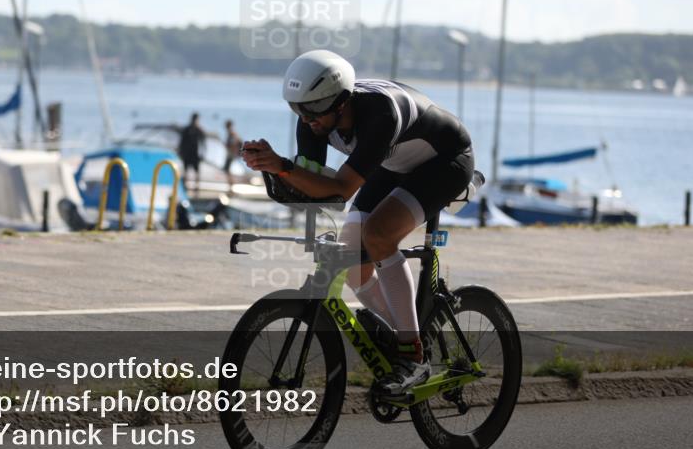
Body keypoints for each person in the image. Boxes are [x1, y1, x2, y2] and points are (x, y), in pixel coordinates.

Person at [241, 49, 474, 395]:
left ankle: (413, 356)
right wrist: (272, 170)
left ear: (341, 102)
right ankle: (406, 331)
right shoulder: (313, 116)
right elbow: (318, 193)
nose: (306, 119)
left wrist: (285, 167)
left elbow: (341, 187)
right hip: (394, 166)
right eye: (297, 108)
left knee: (379, 236)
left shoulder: (379, 114)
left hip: (444, 163)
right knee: (353, 267)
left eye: (313, 110)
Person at [177, 112, 206, 193]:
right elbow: (182, 142)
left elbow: (203, 142)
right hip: (187, 154)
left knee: (197, 172)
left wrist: (203, 153)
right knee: (186, 171)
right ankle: (185, 187)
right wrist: (181, 152)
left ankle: (196, 188)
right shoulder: (186, 129)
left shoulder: (199, 130)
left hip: (195, 155)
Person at [223, 120, 242, 192]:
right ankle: (230, 185)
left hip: (231, 154)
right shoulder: (230, 133)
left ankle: (231, 185)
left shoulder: (232, 133)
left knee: (227, 169)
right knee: (227, 169)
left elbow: (236, 143)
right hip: (230, 154)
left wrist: (234, 151)